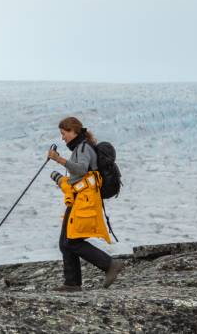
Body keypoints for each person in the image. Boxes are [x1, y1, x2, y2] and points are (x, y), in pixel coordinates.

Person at [47, 116, 124, 291]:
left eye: (64, 133)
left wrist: (59, 160)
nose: (62, 137)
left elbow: (81, 170)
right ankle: (72, 283)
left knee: (72, 241)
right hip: (79, 199)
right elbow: (78, 177)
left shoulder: (83, 148)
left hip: (84, 201)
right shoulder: (80, 147)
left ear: (73, 131)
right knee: (65, 242)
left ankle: (110, 264)